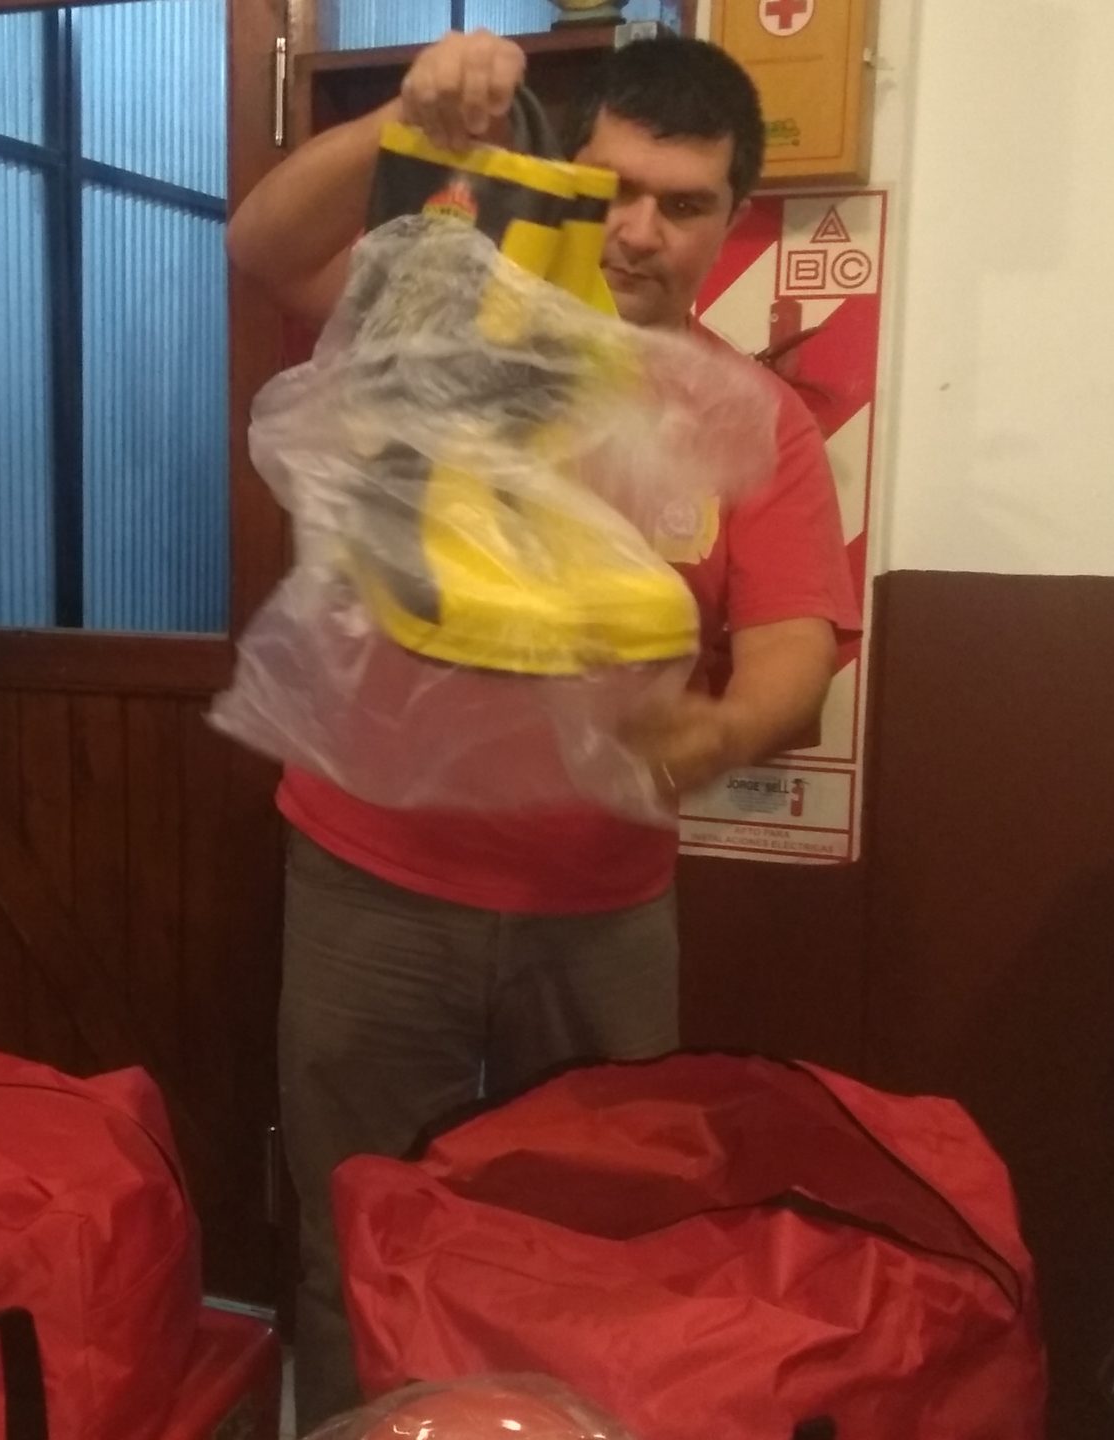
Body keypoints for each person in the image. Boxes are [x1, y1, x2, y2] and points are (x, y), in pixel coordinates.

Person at [226, 33, 864, 1426]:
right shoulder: (437, 324)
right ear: (562, 177)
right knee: (354, 1237)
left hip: (604, 914)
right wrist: (403, 119)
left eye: (682, 204)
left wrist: (715, 734)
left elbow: (794, 657)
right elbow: (267, 246)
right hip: (372, 885)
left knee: (589, 1250)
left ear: (731, 220)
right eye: (613, 187)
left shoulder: (750, 421)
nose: (639, 230)